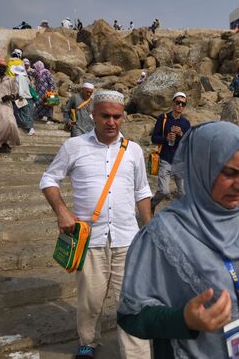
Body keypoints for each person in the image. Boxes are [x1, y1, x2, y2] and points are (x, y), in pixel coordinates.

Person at [118, 121, 239, 358]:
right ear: (201, 168)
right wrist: (184, 319)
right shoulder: (163, 233)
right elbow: (130, 316)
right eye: (229, 173)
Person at [40, 90, 153, 359]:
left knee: (132, 303)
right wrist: (62, 211)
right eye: (105, 116)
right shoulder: (74, 146)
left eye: (117, 116)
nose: (111, 122)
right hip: (90, 239)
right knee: (90, 300)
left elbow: (142, 191)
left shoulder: (134, 150)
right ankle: (88, 341)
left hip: (128, 238)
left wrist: (150, 229)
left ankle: (137, 355)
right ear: (93, 115)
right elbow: (48, 180)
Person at [150, 92, 191, 214]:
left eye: (183, 104)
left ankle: (179, 215)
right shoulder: (163, 118)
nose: (180, 105)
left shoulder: (185, 123)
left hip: (180, 161)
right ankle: (151, 204)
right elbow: (154, 138)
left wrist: (182, 135)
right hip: (165, 159)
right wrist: (166, 138)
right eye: (177, 102)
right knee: (164, 191)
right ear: (173, 103)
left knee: (183, 192)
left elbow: (188, 142)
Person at [11, 65, 35, 136]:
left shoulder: (17, 78)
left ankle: (30, 128)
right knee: (26, 113)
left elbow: (18, 87)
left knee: (21, 113)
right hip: (28, 97)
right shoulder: (26, 77)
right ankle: (25, 127)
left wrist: (19, 95)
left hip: (21, 97)